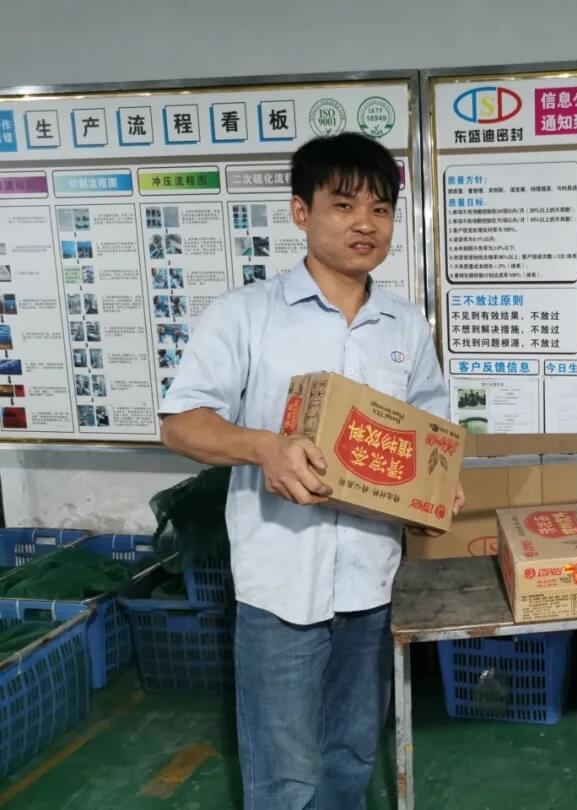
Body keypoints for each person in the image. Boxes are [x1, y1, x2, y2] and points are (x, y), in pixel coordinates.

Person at [159, 132, 464, 810]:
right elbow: (181, 424)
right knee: (285, 776)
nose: (365, 224)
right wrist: (264, 447)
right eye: (344, 205)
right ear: (301, 211)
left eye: (381, 209)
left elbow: (431, 437)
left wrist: (436, 491)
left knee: (351, 756)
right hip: (280, 586)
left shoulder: (404, 327)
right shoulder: (246, 316)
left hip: (371, 583)